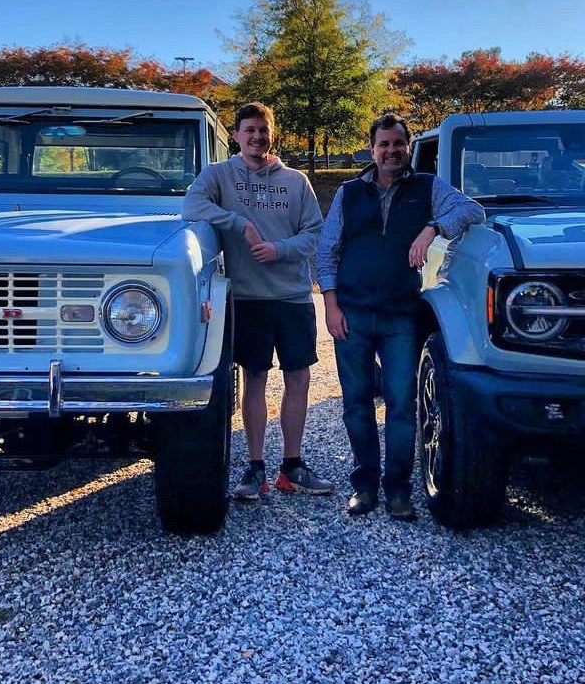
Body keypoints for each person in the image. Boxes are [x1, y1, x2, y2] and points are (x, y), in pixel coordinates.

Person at [316, 113, 485, 520]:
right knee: (356, 404)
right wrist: (331, 305)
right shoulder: (349, 193)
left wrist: (432, 228)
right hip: (352, 315)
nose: (391, 151)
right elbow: (327, 251)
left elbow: (472, 210)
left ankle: (398, 491)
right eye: (384, 144)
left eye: (398, 143)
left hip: (400, 317)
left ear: (408, 147)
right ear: (372, 149)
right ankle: (364, 486)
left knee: (401, 405)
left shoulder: (427, 187)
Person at [182, 101, 332, 500]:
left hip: (294, 298)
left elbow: (314, 234)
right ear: (236, 135)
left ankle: (292, 466)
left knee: (298, 378)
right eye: (249, 130)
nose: (256, 137)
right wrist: (238, 223)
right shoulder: (219, 176)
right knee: (255, 379)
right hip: (248, 298)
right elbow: (191, 206)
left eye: (263, 130)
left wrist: (279, 249)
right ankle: (255, 468)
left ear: (272, 134)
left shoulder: (296, 181)